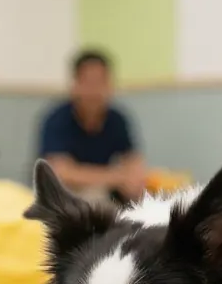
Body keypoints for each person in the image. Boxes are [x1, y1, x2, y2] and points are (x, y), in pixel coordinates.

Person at [36, 50, 146, 204]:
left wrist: (134, 181)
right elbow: (61, 172)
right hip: (63, 198)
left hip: (105, 193)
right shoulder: (57, 119)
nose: (94, 90)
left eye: (101, 82)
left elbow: (133, 162)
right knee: (93, 197)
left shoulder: (117, 119)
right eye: (88, 82)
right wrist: (117, 177)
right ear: (75, 84)